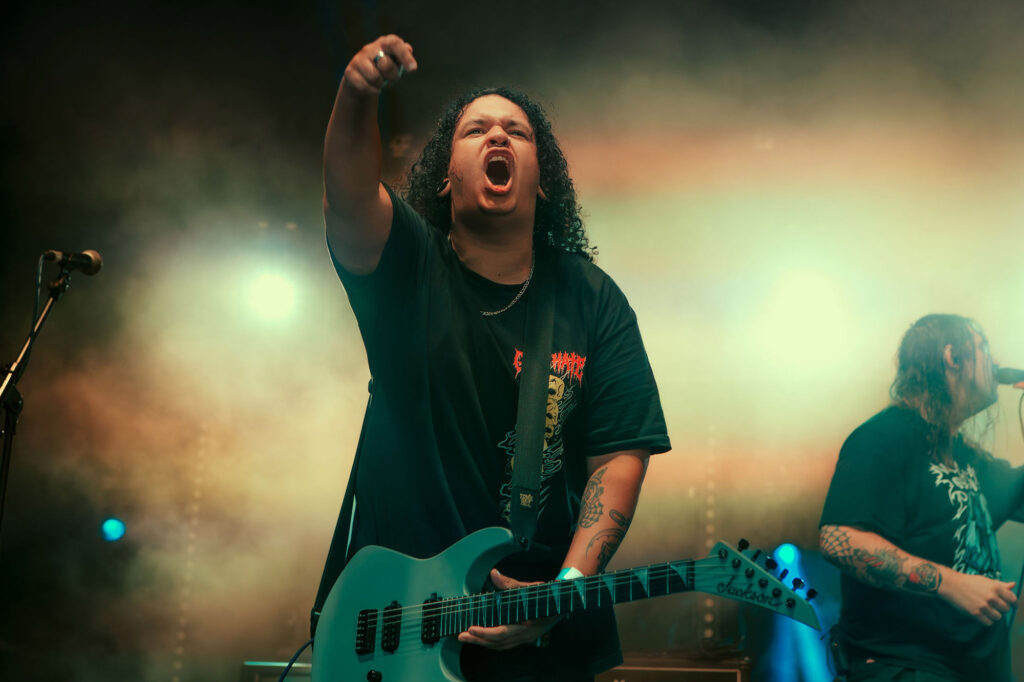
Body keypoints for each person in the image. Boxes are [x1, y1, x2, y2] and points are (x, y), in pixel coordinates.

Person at [313, 34, 671, 681]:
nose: (498, 135)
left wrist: (567, 589)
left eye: (518, 132)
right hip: (398, 626)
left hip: (539, 636)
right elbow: (349, 194)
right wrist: (357, 94)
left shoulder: (591, 299)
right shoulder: (407, 267)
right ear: (446, 177)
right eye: (475, 130)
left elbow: (618, 455)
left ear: (543, 182)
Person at [819, 314, 1024, 681]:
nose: (995, 362)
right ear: (952, 357)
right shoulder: (883, 438)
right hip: (906, 666)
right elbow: (839, 539)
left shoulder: (968, 457)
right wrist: (952, 584)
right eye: (983, 349)